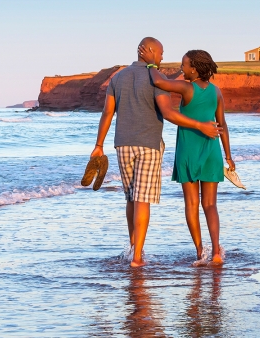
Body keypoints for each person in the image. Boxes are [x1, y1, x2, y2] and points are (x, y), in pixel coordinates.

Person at [91, 37, 222, 268]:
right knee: (142, 199)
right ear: (149, 51)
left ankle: (132, 249)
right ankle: (138, 257)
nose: (162, 58)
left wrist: (98, 145)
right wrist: (201, 125)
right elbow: (168, 113)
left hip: (122, 143)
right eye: (160, 53)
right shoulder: (155, 80)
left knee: (131, 197)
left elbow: (107, 113)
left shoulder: (118, 77)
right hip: (149, 144)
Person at [140, 47, 233, 266]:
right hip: (212, 151)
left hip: (188, 152)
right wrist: (228, 156)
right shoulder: (216, 91)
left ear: (194, 68)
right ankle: (217, 252)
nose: (182, 69)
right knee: (210, 205)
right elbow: (223, 125)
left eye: (184, 65)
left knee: (192, 204)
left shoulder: (186, 88)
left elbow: (159, 82)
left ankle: (201, 252)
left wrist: (151, 63)